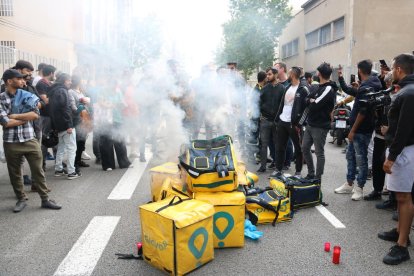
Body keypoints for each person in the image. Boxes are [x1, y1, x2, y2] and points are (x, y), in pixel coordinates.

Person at [0, 69, 61, 212]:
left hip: (30, 138)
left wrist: (14, 116)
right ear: (9, 81)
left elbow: (35, 116)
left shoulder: (27, 95)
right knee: (15, 173)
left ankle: (45, 199)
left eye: (23, 79)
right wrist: (23, 117)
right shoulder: (1, 98)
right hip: (11, 141)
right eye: (19, 78)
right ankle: (21, 199)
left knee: (38, 170)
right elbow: (5, 122)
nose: (23, 81)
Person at [378, 54, 414, 265]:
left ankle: (402, 245)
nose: (390, 72)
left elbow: (404, 130)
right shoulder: (407, 91)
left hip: (404, 152)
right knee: (402, 196)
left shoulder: (409, 93)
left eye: (392, 68)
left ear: (399, 69)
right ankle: (401, 230)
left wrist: (391, 158)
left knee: (403, 198)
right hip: (405, 150)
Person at [334, 60, 382, 200]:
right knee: (350, 156)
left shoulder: (367, 86)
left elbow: (363, 111)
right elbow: (350, 91)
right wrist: (341, 77)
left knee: (361, 160)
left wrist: (353, 130)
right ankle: (349, 184)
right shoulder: (372, 84)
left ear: (360, 71)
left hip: (361, 130)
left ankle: (359, 188)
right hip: (363, 128)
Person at [302, 62, 337, 181]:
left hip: (320, 126)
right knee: (305, 148)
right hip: (310, 124)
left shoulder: (328, 88)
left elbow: (314, 106)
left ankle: (317, 178)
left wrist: (311, 101)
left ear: (319, 73)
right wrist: (310, 100)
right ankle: (311, 173)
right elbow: (306, 99)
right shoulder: (318, 87)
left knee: (319, 152)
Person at [272, 67, 308, 178]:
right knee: (279, 147)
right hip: (283, 121)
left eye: (290, 72)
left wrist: (300, 124)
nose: (288, 74)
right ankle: (278, 170)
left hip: (294, 123)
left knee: (298, 148)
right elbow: (282, 104)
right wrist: (277, 119)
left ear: (294, 74)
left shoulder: (303, 89)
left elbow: (306, 108)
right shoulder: (287, 87)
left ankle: (298, 172)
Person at [48, 73, 80, 180]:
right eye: (69, 80)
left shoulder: (52, 91)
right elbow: (65, 109)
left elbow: (53, 110)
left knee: (61, 148)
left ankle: (58, 169)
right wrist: (69, 125)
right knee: (71, 148)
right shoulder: (62, 91)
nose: (70, 82)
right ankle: (71, 172)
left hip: (57, 124)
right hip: (66, 125)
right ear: (64, 81)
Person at [257, 67, 285, 173]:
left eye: (269, 74)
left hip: (277, 121)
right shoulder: (264, 88)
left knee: (278, 144)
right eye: (267, 74)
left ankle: (278, 167)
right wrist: (261, 114)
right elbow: (258, 102)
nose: (267, 76)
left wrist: (279, 118)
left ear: (276, 74)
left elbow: (284, 105)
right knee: (263, 144)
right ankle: (263, 166)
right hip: (265, 120)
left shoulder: (282, 88)